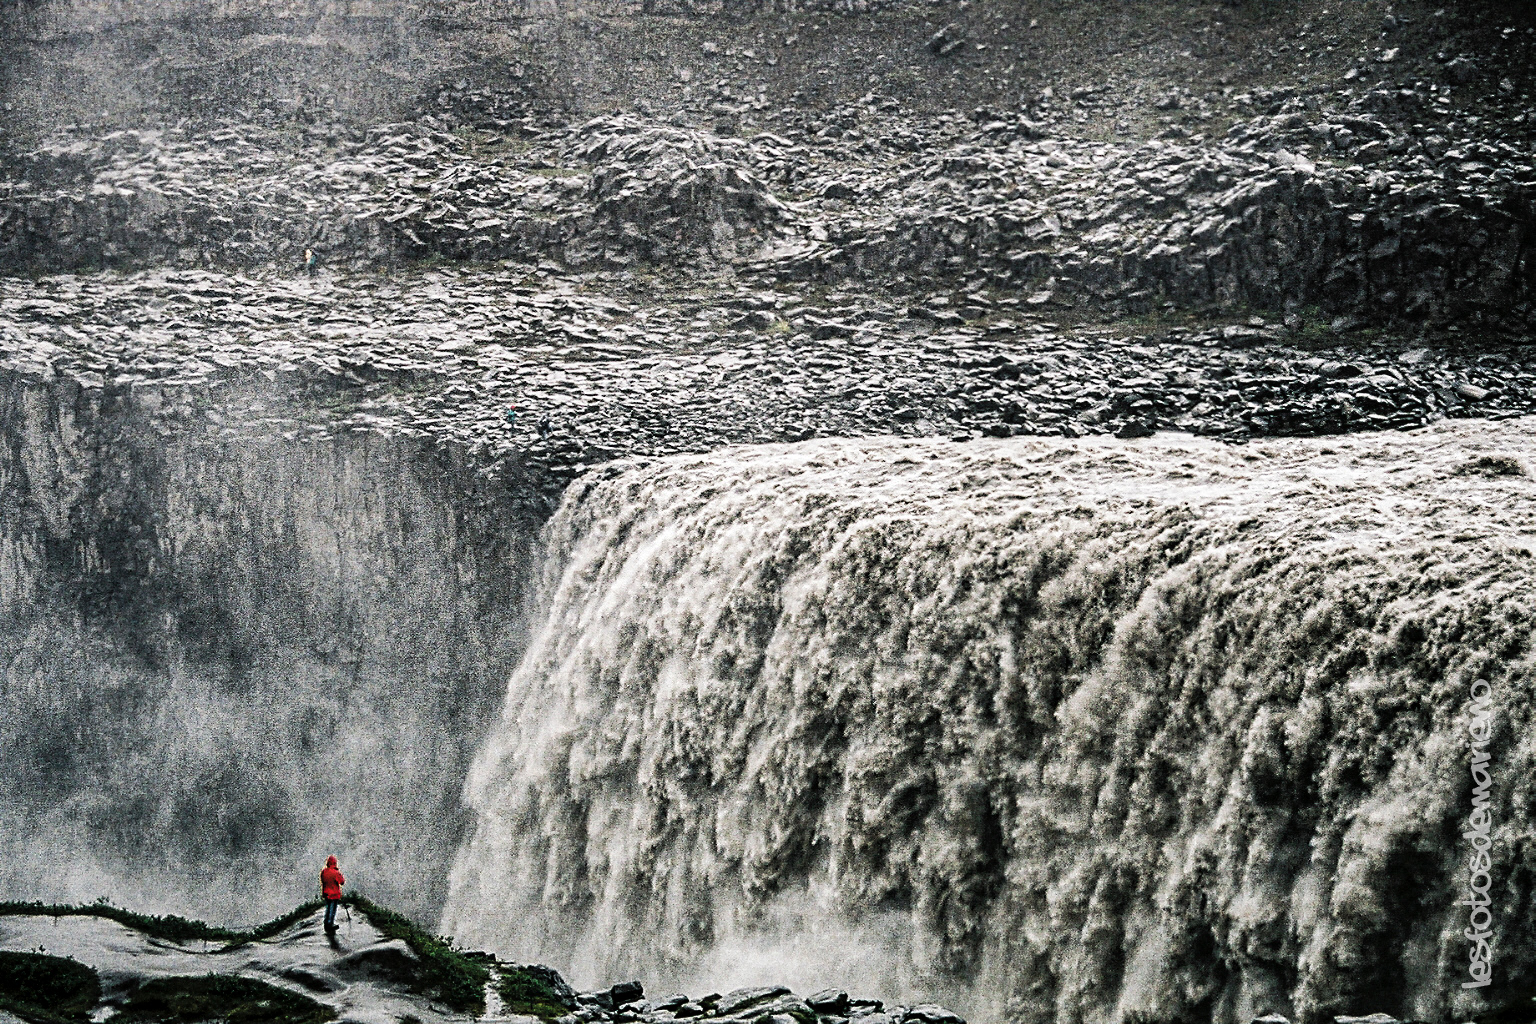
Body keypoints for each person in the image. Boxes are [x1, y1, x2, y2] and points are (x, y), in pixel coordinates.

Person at [321, 856, 344, 931]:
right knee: (332, 909)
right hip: (334, 894)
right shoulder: (335, 872)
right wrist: (338, 873)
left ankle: (326, 923)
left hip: (326, 893)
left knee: (328, 909)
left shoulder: (324, 871)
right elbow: (342, 882)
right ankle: (330, 923)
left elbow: (323, 880)